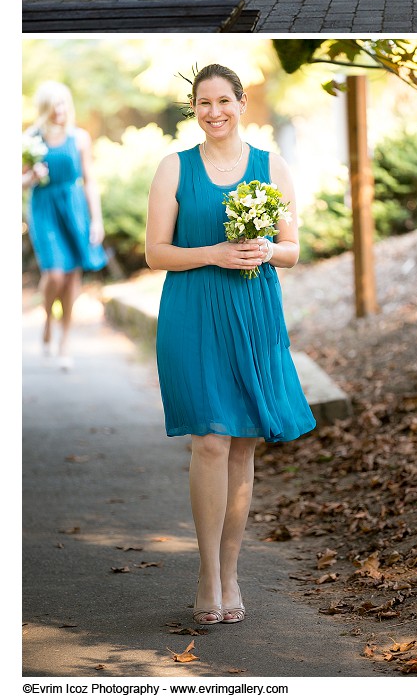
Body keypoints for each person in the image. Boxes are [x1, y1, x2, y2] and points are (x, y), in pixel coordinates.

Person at [146, 64, 316, 627]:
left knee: (241, 443)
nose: (214, 111)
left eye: (224, 100)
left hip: (252, 311)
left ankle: (232, 570)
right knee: (209, 441)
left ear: (242, 103)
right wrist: (214, 252)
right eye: (203, 103)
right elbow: (155, 253)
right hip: (192, 311)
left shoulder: (273, 167)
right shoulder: (174, 168)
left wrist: (266, 250)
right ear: (193, 109)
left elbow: (293, 248)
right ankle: (206, 574)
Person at [23, 82, 106, 370]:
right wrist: (31, 175)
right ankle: (47, 318)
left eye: (63, 104)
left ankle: (65, 341)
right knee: (55, 274)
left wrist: (96, 220)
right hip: (44, 209)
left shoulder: (80, 138)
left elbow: (90, 180)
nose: (60, 110)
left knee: (73, 276)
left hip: (74, 208)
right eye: (54, 105)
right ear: (45, 108)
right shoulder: (30, 138)